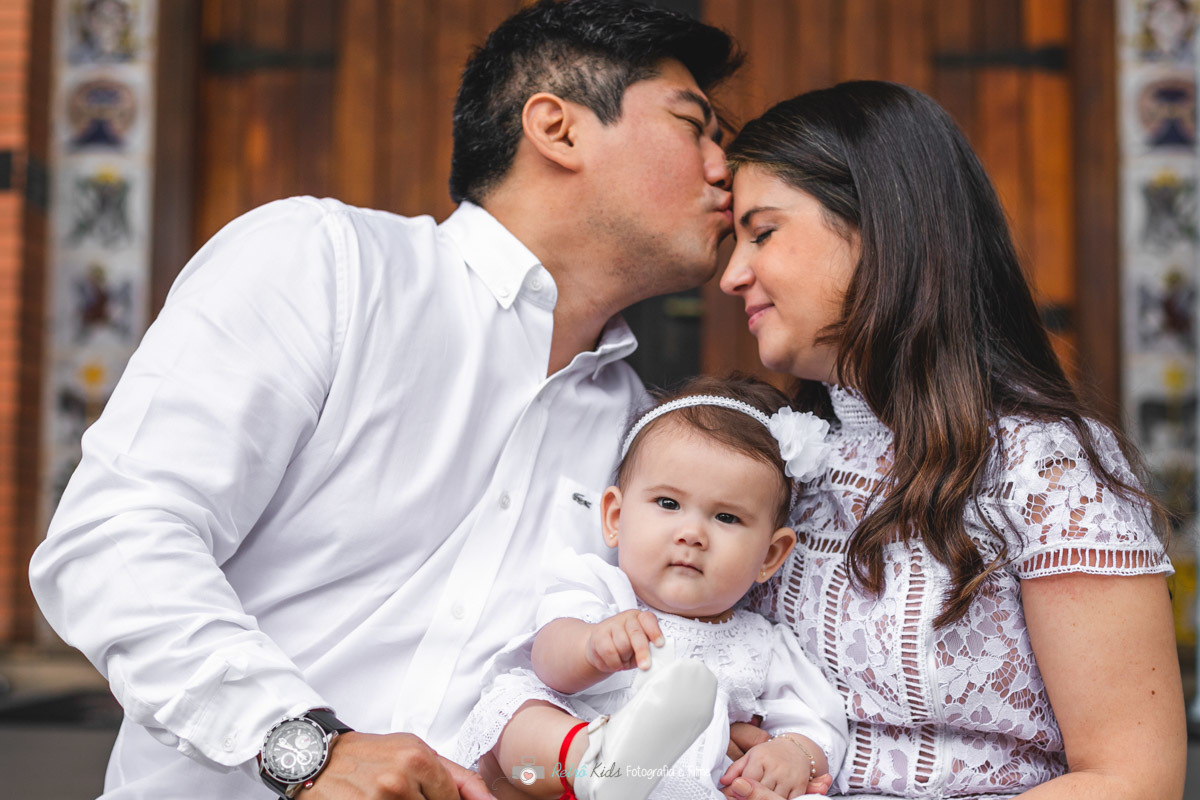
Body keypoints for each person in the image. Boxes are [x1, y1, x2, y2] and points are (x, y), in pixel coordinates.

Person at [28, 2, 741, 798]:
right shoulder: (327, 267)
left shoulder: (640, 437)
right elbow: (114, 539)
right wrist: (303, 747)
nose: (726, 169)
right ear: (557, 128)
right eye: (697, 128)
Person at [714, 81, 1187, 799]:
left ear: (880, 225)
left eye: (763, 232)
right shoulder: (776, 463)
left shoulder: (1043, 466)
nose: (731, 275)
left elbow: (1133, 778)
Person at [455, 376, 848, 800]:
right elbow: (548, 662)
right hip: (557, 777)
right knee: (515, 703)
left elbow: (818, 721)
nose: (692, 533)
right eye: (668, 504)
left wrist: (793, 753)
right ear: (614, 517)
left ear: (771, 556)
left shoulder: (762, 645)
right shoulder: (602, 590)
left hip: (686, 788)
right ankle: (592, 761)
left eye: (727, 518)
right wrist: (591, 647)